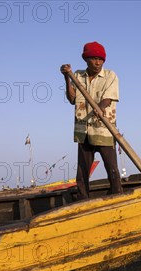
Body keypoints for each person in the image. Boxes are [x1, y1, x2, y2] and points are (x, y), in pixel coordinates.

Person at [60, 41, 123, 200]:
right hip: (83, 130)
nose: (97, 62)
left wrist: (100, 107)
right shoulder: (78, 76)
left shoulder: (110, 75)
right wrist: (67, 77)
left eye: (100, 59)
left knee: (112, 169)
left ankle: (118, 197)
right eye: (93, 59)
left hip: (103, 128)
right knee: (82, 171)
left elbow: (108, 99)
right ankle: (82, 199)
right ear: (86, 60)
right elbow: (72, 99)